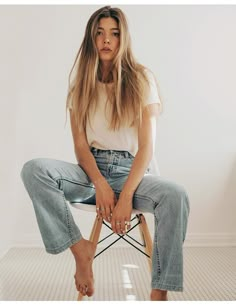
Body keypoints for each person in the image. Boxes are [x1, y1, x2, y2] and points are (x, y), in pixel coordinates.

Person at [21, 6, 190, 301]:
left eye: (113, 33)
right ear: (91, 38)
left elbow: (147, 148)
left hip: (133, 172)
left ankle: (159, 289)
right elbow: (80, 145)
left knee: (176, 194)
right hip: (90, 172)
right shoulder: (80, 84)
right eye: (99, 33)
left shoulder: (141, 79)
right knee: (34, 170)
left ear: (123, 38)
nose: (106, 40)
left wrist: (126, 196)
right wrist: (98, 182)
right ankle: (80, 250)